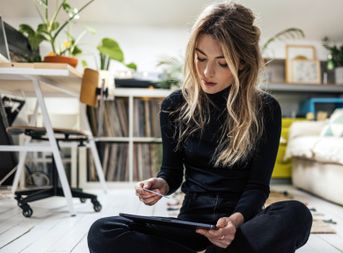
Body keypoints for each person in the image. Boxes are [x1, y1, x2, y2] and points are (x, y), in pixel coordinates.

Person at [87, 2, 312, 253]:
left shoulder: (266, 109)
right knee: (104, 231)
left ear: (242, 63)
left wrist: (234, 223)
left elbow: (258, 187)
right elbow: (171, 172)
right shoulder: (175, 105)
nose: (207, 71)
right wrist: (160, 184)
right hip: (191, 224)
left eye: (222, 63)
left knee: (296, 214)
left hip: (240, 228)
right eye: (200, 58)